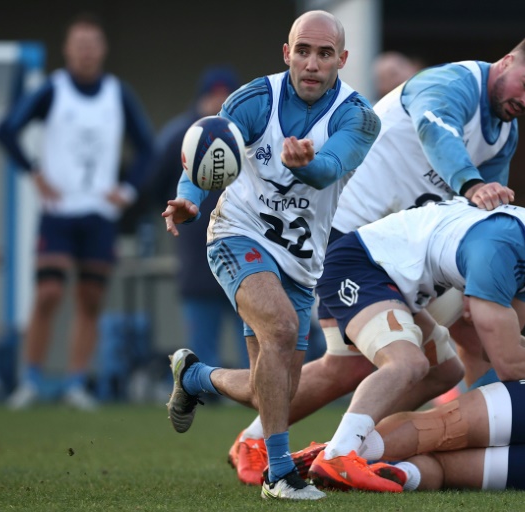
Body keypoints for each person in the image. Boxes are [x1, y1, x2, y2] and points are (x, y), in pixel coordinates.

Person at [229, 30, 525, 486]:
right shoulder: (450, 85)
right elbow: (439, 133)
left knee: (440, 368)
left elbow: (489, 221)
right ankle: (281, 435)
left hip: (398, 255)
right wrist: (471, 185)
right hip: (342, 235)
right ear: (508, 61)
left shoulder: (503, 133)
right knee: (366, 363)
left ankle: (334, 446)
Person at [162, 10, 380, 500]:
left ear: (341, 60)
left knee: (273, 391)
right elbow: (206, 148)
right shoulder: (256, 99)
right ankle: (280, 475)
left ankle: (195, 377)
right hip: (238, 236)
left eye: (324, 54)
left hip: (301, 264)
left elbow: (328, 170)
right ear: (287, 53)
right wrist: (189, 201)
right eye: (302, 50)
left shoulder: (359, 117)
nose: (311, 63)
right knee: (281, 329)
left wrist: (307, 165)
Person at [298, 197, 525, 489]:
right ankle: (338, 454)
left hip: (407, 283)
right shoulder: (498, 249)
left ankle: (348, 445)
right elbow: (508, 363)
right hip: (363, 264)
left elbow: (492, 344)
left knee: (446, 371)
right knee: (406, 364)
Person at [0, 13, 155, 410]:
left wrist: (128, 189)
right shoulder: (54, 90)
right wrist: (34, 172)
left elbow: (148, 148)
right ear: (68, 49)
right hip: (59, 211)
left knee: (90, 298)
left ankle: (75, 382)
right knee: (48, 292)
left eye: (92, 45)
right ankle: (30, 379)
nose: (85, 52)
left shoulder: (117, 94)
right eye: (78, 45)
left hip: (99, 214)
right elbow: (5, 130)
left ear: (102, 50)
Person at [296, 372, 525, 492]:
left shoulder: (491, 255)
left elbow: (509, 360)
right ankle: (397, 473)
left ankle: (338, 452)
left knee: (437, 427)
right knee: (444, 468)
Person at [145, 66, 249, 374]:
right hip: (198, 253)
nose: (217, 102)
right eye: (212, 96)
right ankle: (205, 394)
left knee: (253, 336)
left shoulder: (248, 134)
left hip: (246, 251)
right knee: (203, 342)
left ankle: (255, 394)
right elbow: (152, 182)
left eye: (224, 96)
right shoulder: (181, 135)